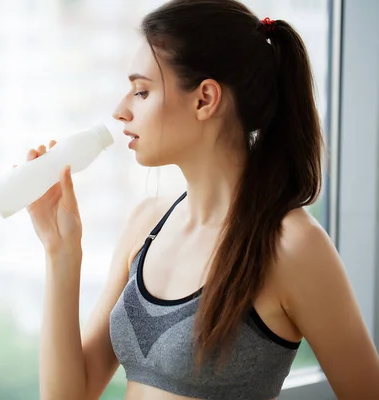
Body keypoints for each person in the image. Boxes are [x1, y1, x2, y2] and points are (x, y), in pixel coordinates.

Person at [23, 0, 379, 399]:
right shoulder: (146, 224)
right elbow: (69, 395)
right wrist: (61, 252)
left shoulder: (292, 246)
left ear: (205, 98)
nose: (121, 111)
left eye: (141, 91)